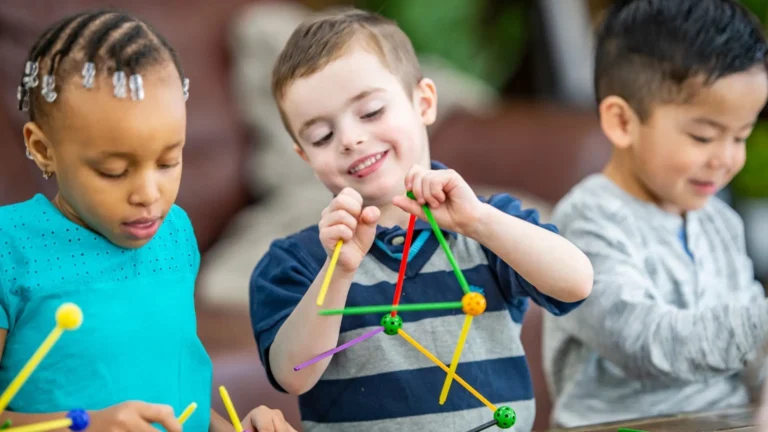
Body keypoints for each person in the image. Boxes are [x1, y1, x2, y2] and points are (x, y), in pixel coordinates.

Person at [249, 7, 594, 432]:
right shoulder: (295, 262)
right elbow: (293, 374)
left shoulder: (487, 226)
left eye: (371, 111)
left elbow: (576, 283)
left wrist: (480, 222)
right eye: (322, 136)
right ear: (304, 155)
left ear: (425, 102)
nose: (351, 139)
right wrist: (338, 271)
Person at [0, 9, 297, 432]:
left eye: (169, 161)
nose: (149, 194)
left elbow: (177, 404)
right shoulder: (9, 246)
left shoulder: (174, 234)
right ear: (43, 149)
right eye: (114, 171)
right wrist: (84, 424)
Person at [542, 0, 768, 427]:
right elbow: (644, 343)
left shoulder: (720, 223)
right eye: (704, 136)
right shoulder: (587, 222)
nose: (726, 159)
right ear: (623, 122)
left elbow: (755, 352)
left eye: (741, 136)